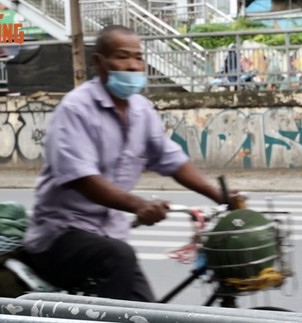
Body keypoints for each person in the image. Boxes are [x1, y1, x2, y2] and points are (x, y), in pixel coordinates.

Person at [24, 24, 234, 302]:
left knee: (149, 319)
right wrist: (139, 205)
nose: (134, 66)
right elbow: (82, 178)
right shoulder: (76, 109)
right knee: (119, 260)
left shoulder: (142, 111)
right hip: (61, 235)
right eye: (123, 57)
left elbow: (171, 159)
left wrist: (221, 196)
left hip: (109, 236)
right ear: (100, 63)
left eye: (138, 57)